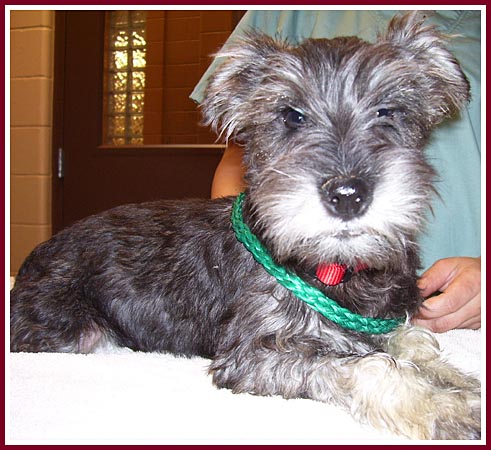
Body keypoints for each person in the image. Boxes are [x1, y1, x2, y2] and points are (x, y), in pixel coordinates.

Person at [191, 10, 482, 333]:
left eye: (385, 113)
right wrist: (238, 270)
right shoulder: (283, 10)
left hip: (453, 302)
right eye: (294, 119)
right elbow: (237, 157)